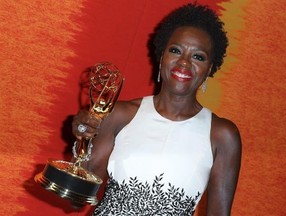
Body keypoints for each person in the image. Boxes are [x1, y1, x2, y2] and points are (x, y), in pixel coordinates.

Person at [72, 2, 241, 215]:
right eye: (176, 50)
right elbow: (78, 199)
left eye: (198, 56)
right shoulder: (120, 115)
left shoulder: (222, 135)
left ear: (210, 68)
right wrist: (83, 138)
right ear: (162, 57)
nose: (185, 63)